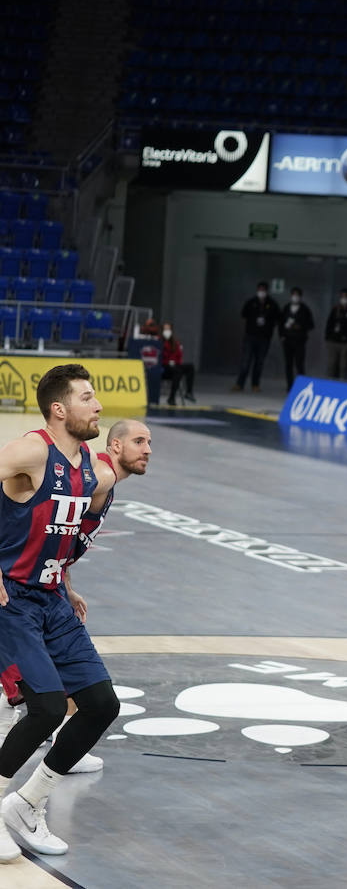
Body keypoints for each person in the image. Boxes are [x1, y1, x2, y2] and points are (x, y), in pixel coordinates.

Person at [0, 364, 120, 862]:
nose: (97, 407)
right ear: (59, 409)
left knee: (101, 704)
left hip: (51, 598)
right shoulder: (32, 449)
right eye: (87, 398)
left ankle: (27, 804)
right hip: (11, 599)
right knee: (47, 707)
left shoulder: (89, 468)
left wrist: (67, 582)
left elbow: (58, 533)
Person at [0, 420, 153, 774]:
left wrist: (64, 580)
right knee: (47, 699)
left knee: (86, 696)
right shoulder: (95, 474)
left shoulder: (101, 481)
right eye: (139, 441)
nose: (147, 450)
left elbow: (59, 539)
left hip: (45, 590)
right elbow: (38, 524)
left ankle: (52, 745)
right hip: (18, 593)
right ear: (114, 446)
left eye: (149, 442)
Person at [234, 282, 279, 392]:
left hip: (264, 337)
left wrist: (268, 324)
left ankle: (255, 384)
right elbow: (243, 314)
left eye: (263, 290)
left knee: (259, 362)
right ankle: (239, 384)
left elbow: (278, 319)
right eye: (260, 290)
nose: (261, 292)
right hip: (250, 336)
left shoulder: (272, 304)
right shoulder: (251, 302)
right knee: (245, 361)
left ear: (267, 291)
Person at [279, 287, 315, 388]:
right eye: (293, 295)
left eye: (297, 295)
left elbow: (311, 325)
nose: (295, 297)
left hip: (299, 340)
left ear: (300, 296)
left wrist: (300, 326)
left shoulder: (305, 309)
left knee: (299, 364)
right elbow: (280, 323)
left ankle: (301, 386)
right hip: (287, 340)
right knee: (288, 364)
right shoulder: (286, 308)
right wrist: (282, 335)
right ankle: (289, 385)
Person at [158, 322, 195, 406]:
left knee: (190, 367)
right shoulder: (159, 341)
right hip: (164, 367)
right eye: (165, 329)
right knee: (177, 372)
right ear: (162, 330)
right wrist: (169, 362)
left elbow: (179, 356)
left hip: (175, 366)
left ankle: (189, 392)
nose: (167, 331)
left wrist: (175, 363)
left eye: (168, 329)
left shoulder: (175, 342)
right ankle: (171, 398)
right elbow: (159, 356)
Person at [324, 289, 347, 380]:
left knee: (343, 365)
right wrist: (328, 337)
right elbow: (329, 324)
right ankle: (330, 383)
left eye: (345, 297)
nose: (343, 299)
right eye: (342, 297)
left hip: (345, 343)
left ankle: (342, 384)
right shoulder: (336, 309)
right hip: (333, 341)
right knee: (332, 364)